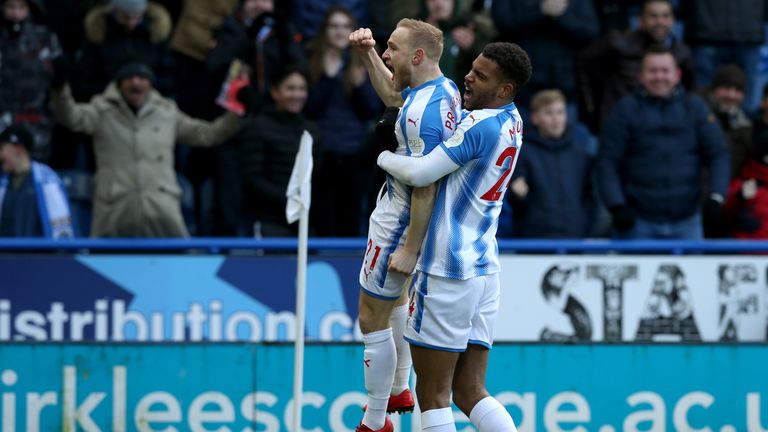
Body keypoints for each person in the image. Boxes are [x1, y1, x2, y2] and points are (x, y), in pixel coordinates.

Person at [376, 41, 532, 431]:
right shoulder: (513, 121)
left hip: (447, 268)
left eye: (481, 76)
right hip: (484, 267)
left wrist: (381, 155)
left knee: (432, 394)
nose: (468, 76)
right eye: (472, 68)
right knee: (470, 390)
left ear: (504, 90)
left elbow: (420, 173)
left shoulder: (480, 125)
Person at [348, 19, 462, 432]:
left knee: (370, 316)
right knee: (395, 304)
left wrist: (410, 248)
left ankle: (377, 420)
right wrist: (366, 56)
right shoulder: (441, 89)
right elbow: (396, 94)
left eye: (392, 48)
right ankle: (399, 388)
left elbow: (425, 183)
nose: (386, 53)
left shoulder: (422, 117)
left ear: (417, 56)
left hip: (398, 221)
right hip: (403, 215)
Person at [51, 61, 243, 237]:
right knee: (102, 264)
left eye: (142, 79)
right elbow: (71, 117)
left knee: (181, 264)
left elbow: (207, 134)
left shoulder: (167, 112)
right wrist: (61, 89)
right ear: (119, 84)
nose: (136, 83)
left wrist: (239, 112)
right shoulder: (101, 110)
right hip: (114, 210)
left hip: (162, 210)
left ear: (150, 84)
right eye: (130, 79)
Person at [596, 46, 730, 239]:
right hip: (637, 224)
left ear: (677, 75)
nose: (659, 77)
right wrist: (616, 205)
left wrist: (716, 197)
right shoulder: (625, 110)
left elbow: (718, 153)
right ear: (640, 76)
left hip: (688, 222)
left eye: (665, 71)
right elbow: (607, 160)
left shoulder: (695, 108)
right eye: (652, 71)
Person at [304, 5, 382, 237]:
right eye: (334, 26)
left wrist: (358, 86)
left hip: (353, 153)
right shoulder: (311, 59)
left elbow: (372, 110)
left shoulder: (363, 61)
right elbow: (308, 109)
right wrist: (327, 77)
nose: (339, 32)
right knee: (322, 217)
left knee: (350, 217)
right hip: (321, 153)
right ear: (325, 30)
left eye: (344, 26)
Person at [579, 0, 695, 131]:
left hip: (664, 127)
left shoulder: (682, 53)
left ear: (673, 21)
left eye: (665, 16)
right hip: (620, 125)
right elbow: (584, 64)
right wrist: (590, 107)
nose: (660, 22)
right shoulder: (617, 44)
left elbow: (689, 90)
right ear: (640, 20)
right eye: (653, 16)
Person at [237, 65, 322, 236]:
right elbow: (252, 179)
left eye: (301, 89)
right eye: (290, 88)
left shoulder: (312, 130)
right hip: (269, 222)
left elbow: (318, 176)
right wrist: (290, 199)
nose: (297, 95)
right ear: (275, 92)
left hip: (305, 223)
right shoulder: (258, 127)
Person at [508, 89, 594, 238]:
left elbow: (590, 197)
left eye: (560, 112)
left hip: (575, 236)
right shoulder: (521, 153)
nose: (556, 118)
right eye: (548, 113)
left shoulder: (580, 154)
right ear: (534, 118)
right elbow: (517, 203)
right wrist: (519, 195)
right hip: (534, 239)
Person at [75, 0, 175, 101]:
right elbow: (85, 77)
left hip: (150, 100)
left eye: (137, 18)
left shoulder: (155, 34)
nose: (132, 23)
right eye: (126, 17)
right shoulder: (99, 34)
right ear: (115, 12)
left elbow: (168, 76)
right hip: (106, 100)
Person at [0, 0, 63, 161]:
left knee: (34, 169)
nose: (15, 13)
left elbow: (58, 77)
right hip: (3, 117)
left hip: (36, 120)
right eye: (10, 7)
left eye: (20, 7)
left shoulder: (44, 37)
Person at [0, 124, 74, 238]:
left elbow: (62, 232)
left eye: (2, 149)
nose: (1, 155)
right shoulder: (3, 183)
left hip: (37, 254)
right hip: (5, 254)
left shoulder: (48, 180)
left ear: (18, 149)